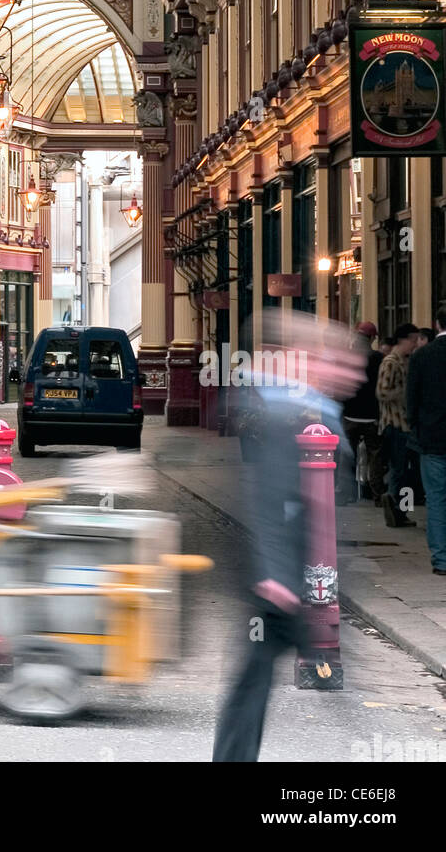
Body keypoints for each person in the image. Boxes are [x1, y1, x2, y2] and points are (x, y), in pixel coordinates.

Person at [212, 311, 364, 763]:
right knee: (259, 680)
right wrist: (276, 574)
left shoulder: (309, 407)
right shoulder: (289, 412)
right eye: (340, 365)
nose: (352, 376)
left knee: (260, 680)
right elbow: (268, 494)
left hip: (300, 573)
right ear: (307, 359)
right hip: (282, 578)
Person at [407, 306, 446, 575]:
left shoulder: (422, 356)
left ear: (436, 324)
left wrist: (415, 429)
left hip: (432, 438)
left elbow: (412, 399)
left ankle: (442, 559)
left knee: (436, 499)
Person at [377, 323, 420, 529]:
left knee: (406, 470)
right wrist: (405, 396)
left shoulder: (406, 361)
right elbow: (382, 392)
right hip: (395, 424)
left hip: (407, 425)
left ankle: (403, 510)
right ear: (403, 340)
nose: (415, 344)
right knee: (398, 469)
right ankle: (395, 507)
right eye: (413, 340)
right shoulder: (391, 362)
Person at [340, 322, 386, 506]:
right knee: (375, 456)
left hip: (350, 415)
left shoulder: (347, 357)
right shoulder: (378, 358)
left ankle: (347, 493)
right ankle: (377, 495)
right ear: (373, 338)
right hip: (371, 416)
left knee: (348, 456)